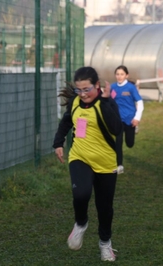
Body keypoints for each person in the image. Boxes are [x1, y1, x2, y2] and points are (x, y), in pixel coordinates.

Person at [53, 66, 122, 262]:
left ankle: (105, 244)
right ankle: (80, 223)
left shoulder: (106, 103)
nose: (82, 94)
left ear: (97, 85)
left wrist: (107, 101)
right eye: (79, 90)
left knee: (105, 207)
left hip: (106, 163)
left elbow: (117, 129)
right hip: (80, 157)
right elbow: (66, 121)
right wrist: (58, 143)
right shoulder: (75, 102)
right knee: (81, 193)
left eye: (86, 89)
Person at [111, 65, 144, 175]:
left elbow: (140, 102)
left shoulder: (131, 88)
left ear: (126, 75)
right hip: (117, 120)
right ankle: (119, 165)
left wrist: (137, 118)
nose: (119, 76)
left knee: (130, 144)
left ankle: (134, 129)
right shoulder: (112, 87)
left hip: (130, 119)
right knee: (118, 142)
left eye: (122, 74)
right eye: (117, 74)